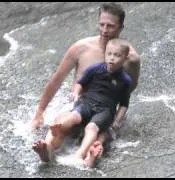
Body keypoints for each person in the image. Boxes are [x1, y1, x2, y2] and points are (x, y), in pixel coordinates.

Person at [31, 2, 140, 158]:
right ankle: (47, 149)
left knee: (101, 135)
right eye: (102, 24)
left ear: (121, 28)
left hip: (104, 110)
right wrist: (39, 112)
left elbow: (129, 89)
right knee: (62, 123)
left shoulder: (131, 58)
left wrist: (114, 119)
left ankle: (91, 151)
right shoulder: (81, 48)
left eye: (110, 26)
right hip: (80, 104)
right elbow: (57, 80)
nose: (104, 30)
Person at [33, 38, 132, 168]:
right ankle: (58, 128)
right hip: (87, 103)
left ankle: (80, 154)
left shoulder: (125, 80)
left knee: (91, 128)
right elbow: (80, 83)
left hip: (105, 111)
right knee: (73, 116)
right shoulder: (95, 69)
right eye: (109, 54)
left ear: (125, 58)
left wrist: (117, 121)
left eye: (117, 55)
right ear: (105, 54)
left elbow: (124, 104)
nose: (112, 58)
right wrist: (75, 93)